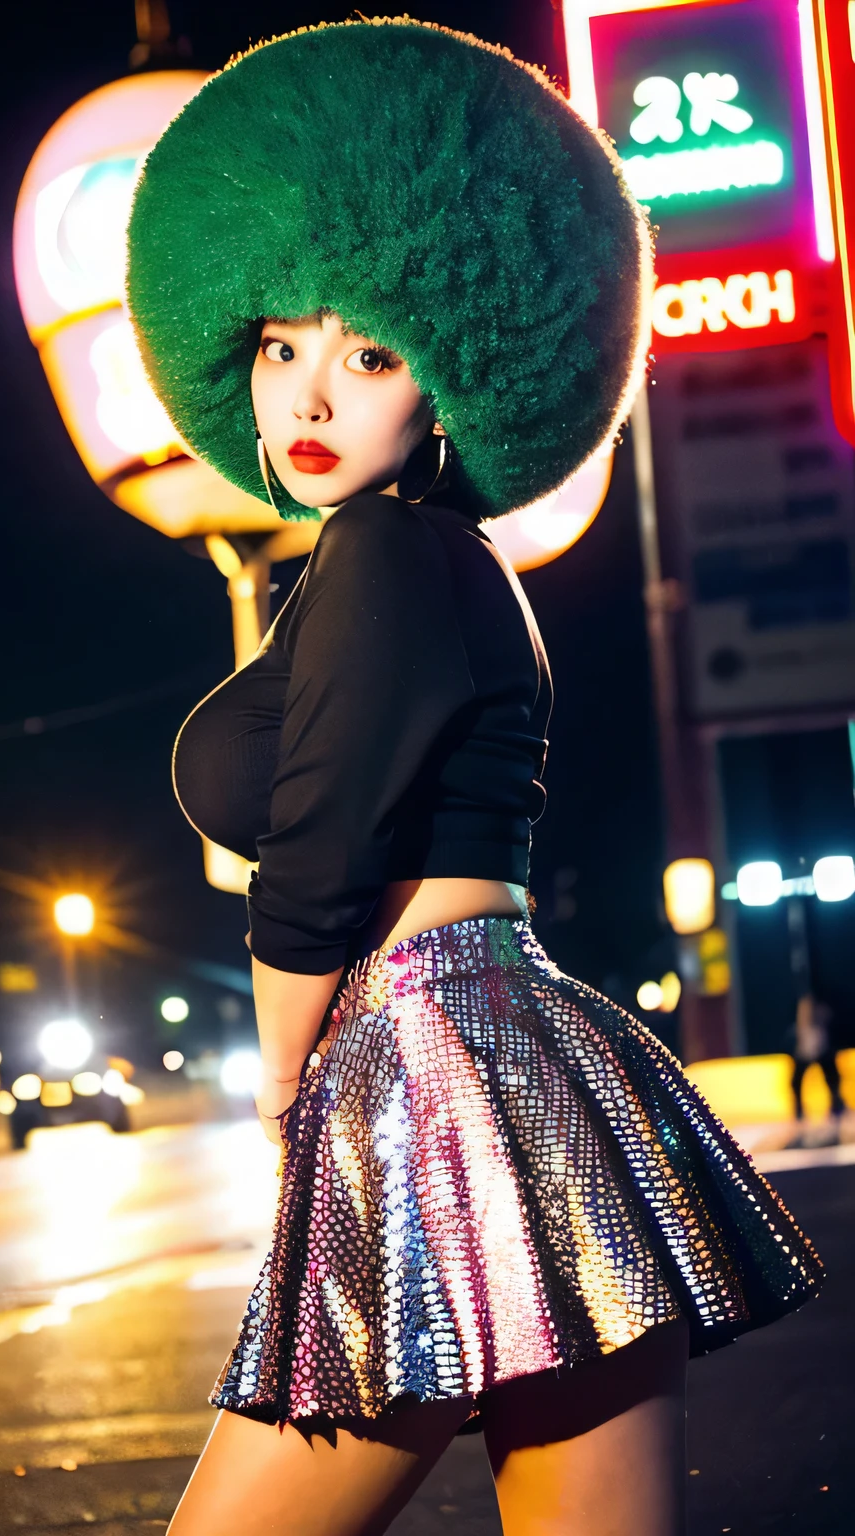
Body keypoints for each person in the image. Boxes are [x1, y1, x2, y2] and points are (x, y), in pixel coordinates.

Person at [127, 20, 824, 1535]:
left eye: (369, 354)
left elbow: (318, 850)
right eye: (281, 345)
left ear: (446, 386)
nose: (308, 395)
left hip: (423, 1057)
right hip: (522, 1050)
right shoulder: (434, 565)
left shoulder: (386, 552)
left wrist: (276, 1079)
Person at [789, 991, 845, 1142]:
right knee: (797, 1081)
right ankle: (800, 1114)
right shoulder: (801, 1006)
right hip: (806, 1045)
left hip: (820, 1044)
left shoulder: (821, 1007)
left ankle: (836, 1110)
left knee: (832, 1079)